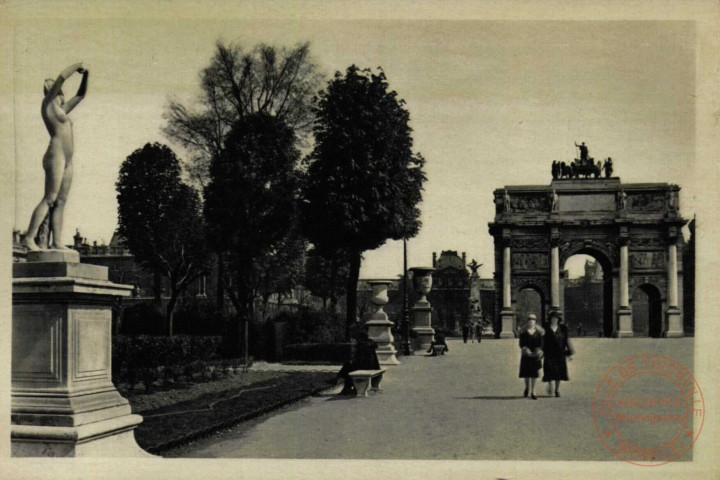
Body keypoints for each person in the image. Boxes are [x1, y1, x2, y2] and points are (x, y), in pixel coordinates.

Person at [24, 63, 89, 251]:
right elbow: (61, 77)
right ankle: (29, 238)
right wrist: (77, 66)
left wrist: (86, 75)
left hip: (68, 159)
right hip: (56, 155)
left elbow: (81, 95)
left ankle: (57, 242)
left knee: (61, 201)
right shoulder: (47, 105)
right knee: (50, 198)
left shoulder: (62, 110)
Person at [542, 312, 574, 397]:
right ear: (550, 319)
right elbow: (542, 341)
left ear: (558, 320)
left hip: (560, 353)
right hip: (549, 353)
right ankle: (550, 385)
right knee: (548, 370)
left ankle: (557, 390)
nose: (554, 320)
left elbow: (566, 340)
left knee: (559, 372)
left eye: (556, 318)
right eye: (552, 318)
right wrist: (541, 352)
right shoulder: (546, 328)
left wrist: (569, 353)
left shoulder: (563, 329)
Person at [519, 314, 544, 400]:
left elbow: (541, 343)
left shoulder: (539, 332)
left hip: (535, 355)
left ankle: (533, 391)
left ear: (535, 321)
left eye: (533, 319)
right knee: (526, 374)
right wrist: (525, 349)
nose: (531, 321)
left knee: (534, 374)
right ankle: (527, 387)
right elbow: (521, 344)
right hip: (526, 355)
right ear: (527, 321)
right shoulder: (523, 332)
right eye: (529, 319)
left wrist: (538, 350)